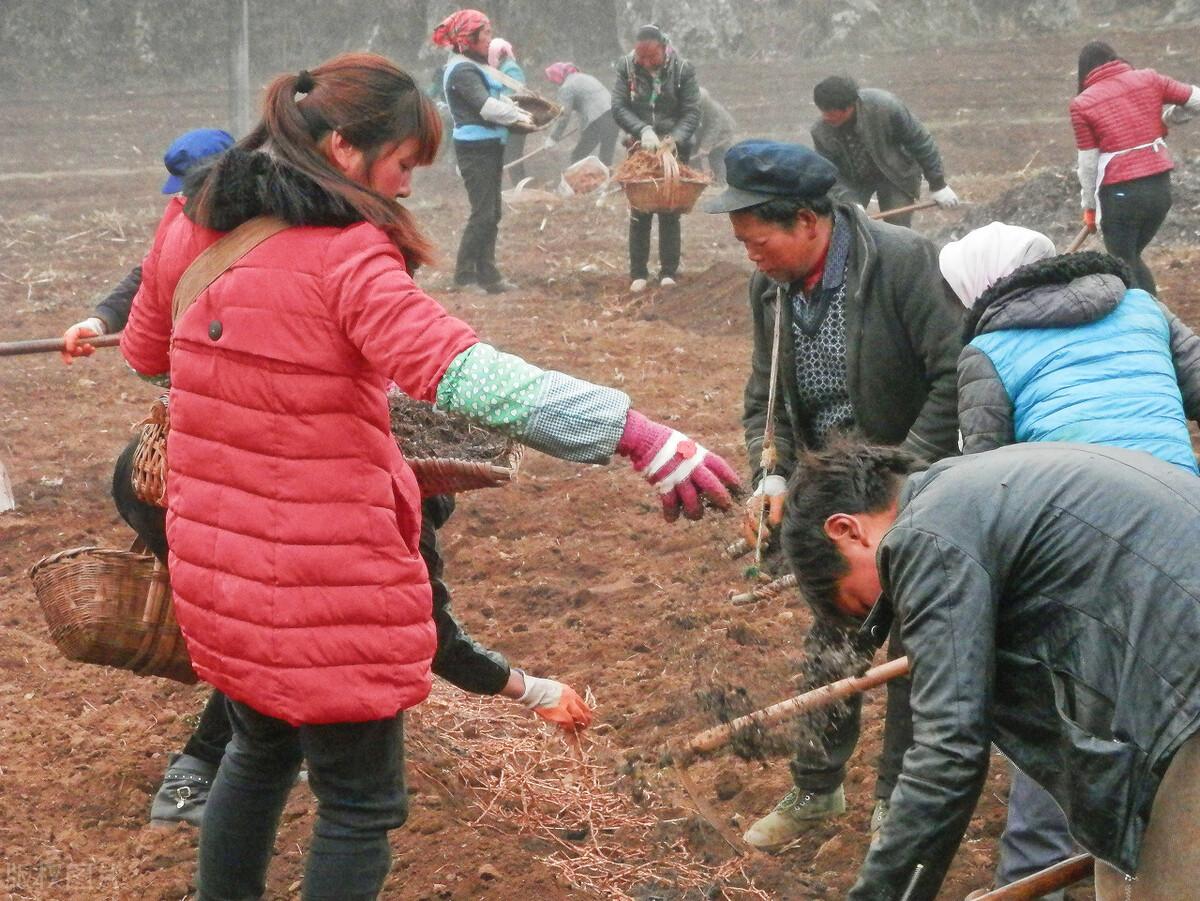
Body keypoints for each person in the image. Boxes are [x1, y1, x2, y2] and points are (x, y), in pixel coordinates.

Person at [117, 52, 739, 900]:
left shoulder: (189, 229)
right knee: (359, 804)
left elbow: (149, 355)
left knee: (256, 754)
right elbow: (467, 378)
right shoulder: (348, 259)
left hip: (219, 568)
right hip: (329, 581)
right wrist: (638, 435)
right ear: (344, 148)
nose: (408, 187)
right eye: (405, 164)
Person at [779, 439, 1200, 900]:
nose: (895, 612)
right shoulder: (976, 489)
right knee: (1124, 875)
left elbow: (949, 753)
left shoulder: (926, 535)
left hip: (1183, 690)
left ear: (847, 530)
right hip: (1171, 670)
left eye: (867, 603)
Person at [702, 140, 963, 850]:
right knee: (833, 644)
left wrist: (903, 477)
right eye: (743, 242)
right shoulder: (773, 290)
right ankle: (817, 789)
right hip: (827, 500)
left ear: (810, 223)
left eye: (759, 240)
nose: (750, 254)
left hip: (912, 493)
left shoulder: (903, 264)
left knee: (915, 651)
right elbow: (766, 394)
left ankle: (895, 806)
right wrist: (773, 473)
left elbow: (955, 373)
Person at [942, 221, 1200, 896]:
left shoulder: (990, 351)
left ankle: (1034, 873)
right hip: (1183, 533)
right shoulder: (1141, 306)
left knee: (1064, 725)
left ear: (975, 288)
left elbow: (984, 487)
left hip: (1085, 568)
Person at [60, 128, 235, 364]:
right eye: (185, 190)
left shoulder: (264, 227)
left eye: (194, 187)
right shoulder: (184, 221)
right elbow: (151, 275)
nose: (188, 197)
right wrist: (99, 321)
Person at [1071, 40, 1200, 295]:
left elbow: (1088, 164)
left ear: (1084, 71)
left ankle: (1153, 324)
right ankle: (1156, 321)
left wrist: (1089, 207)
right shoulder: (1149, 79)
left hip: (1121, 196)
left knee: (1124, 265)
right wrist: (1166, 119)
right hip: (1160, 189)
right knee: (1130, 259)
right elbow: (1196, 100)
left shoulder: (1082, 104)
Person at [433, 9, 532, 294]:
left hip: (489, 145)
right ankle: (464, 276)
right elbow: (486, 106)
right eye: (485, 34)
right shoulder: (462, 70)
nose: (490, 39)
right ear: (467, 39)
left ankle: (488, 275)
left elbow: (497, 98)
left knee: (493, 212)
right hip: (474, 148)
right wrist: (521, 118)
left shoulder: (472, 65)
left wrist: (517, 110)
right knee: (483, 213)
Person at [611, 24, 701, 293]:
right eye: (642, 57)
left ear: (663, 48)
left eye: (652, 57)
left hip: (673, 148)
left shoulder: (683, 70)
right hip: (641, 146)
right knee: (640, 209)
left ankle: (668, 271)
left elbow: (691, 111)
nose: (646, 62)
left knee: (669, 208)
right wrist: (642, 130)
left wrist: (674, 138)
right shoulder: (626, 67)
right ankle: (638, 271)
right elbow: (618, 106)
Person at [810, 76, 960, 227]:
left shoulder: (886, 107)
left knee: (897, 228)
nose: (825, 117)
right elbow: (830, 173)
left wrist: (938, 184)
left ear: (848, 107)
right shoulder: (821, 131)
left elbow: (920, 142)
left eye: (830, 112)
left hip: (895, 174)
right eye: (823, 111)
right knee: (844, 225)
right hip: (853, 180)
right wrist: (850, 201)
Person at [544, 62, 618, 167]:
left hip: (599, 120)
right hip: (614, 116)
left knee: (578, 157)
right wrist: (583, 130)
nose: (554, 84)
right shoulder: (585, 77)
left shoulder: (566, 87)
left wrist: (552, 138)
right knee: (605, 160)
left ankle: (580, 181)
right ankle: (604, 180)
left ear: (557, 76)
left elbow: (563, 116)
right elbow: (588, 104)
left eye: (553, 80)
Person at [489, 38, 529, 186]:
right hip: (508, 119)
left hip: (516, 120)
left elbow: (515, 95)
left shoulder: (511, 69)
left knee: (514, 157)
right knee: (510, 156)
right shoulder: (502, 68)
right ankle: (519, 186)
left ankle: (522, 188)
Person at [695, 87, 736, 184]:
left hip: (723, 132)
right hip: (705, 131)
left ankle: (723, 181)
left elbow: (713, 127)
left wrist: (705, 146)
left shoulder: (713, 109)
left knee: (717, 157)